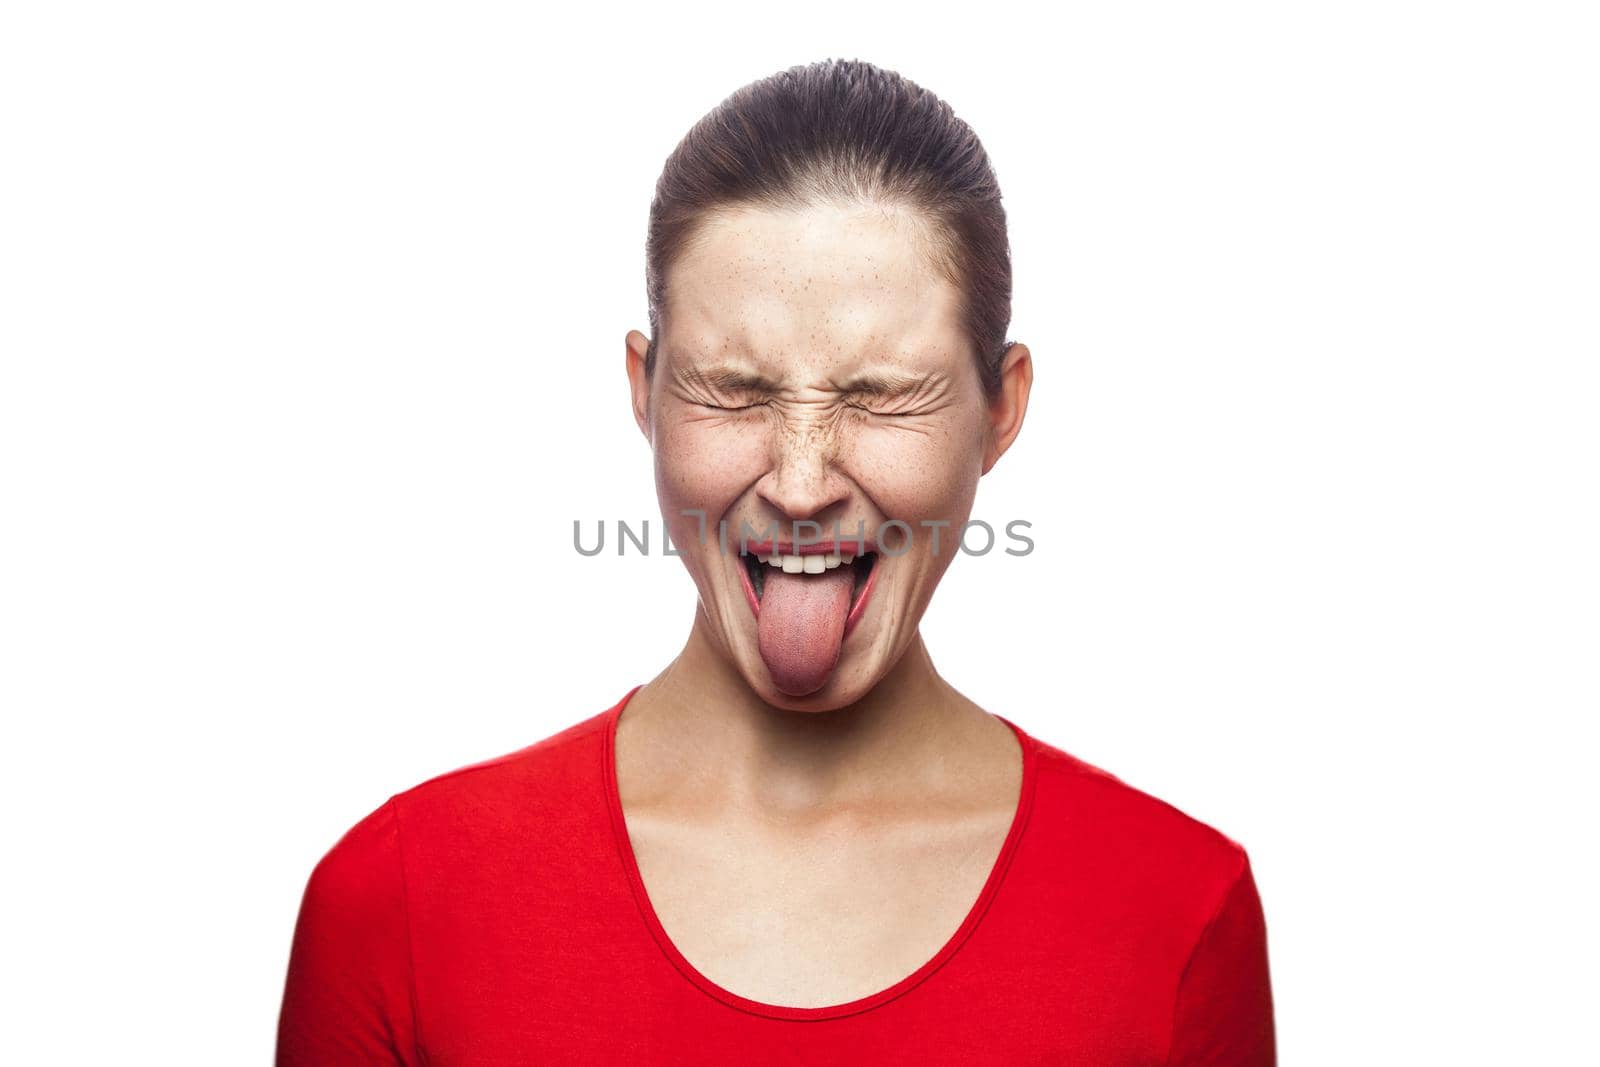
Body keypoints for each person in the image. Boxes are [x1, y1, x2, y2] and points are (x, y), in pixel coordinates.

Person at [276, 57, 1275, 1064]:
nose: (801, 485)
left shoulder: (1177, 910)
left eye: (881, 393)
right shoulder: (400, 901)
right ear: (644, 392)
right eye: (736, 389)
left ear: (1001, 409)